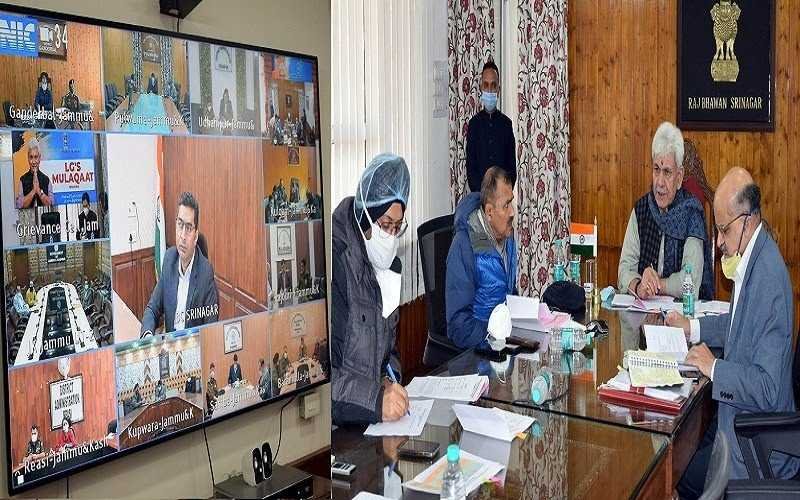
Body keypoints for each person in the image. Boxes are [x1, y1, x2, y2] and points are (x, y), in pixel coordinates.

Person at [666, 168, 798, 497]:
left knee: (672, 471)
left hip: (756, 444)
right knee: (680, 450)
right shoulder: (753, 257)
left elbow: (767, 389)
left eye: (724, 230)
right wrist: (692, 327)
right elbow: (738, 324)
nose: (719, 242)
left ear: (747, 221)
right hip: (736, 419)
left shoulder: (768, 280)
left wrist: (713, 368)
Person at [331, 153, 410, 425]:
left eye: (397, 227)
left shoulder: (388, 266)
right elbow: (323, 380)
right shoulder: (335, 264)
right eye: (385, 225)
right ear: (365, 216)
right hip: (338, 427)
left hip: (371, 422)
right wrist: (377, 401)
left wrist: (389, 379)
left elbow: (389, 352)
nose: (391, 237)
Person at [618, 122, 713, 300]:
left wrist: (656, 285)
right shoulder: (642, 209)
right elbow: (624, 271)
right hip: (644, 311)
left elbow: (691, 282)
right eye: (656, 170)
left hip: (683, 312)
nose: (660, 182)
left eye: (667, 172)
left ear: (679, 177)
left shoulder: (691, 214)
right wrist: (639, 286)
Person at [446, 167, 517, 350]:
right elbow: (459, 326)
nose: (512, 212)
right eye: (506, 205)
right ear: (489, 212)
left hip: (504, 345)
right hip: (479, 350)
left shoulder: (507, 237)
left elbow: (508, 293)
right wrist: (494, 334)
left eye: (512, 202)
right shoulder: (464, 246)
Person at [141, 192, 219, 336]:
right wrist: (147, 335)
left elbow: (211, 331)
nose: (182, 236)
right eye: (180, 224)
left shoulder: (206, 274)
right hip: (170, 343)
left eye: (188, 228)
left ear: (195, 236)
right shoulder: (169, 259)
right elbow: (152, 308)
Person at [466, 60, 516, 192]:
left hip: (502, 198)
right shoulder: (474, 125)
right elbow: (471, 170)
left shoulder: (506, 124)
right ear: (481, 88)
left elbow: (511, 170)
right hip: (479, 197)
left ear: (498, 89)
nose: (489, 89)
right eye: (486, 85)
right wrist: (485, 196)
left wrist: (500, 195)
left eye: (493, 85)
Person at [16, 139, 52, 209]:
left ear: (39, 158)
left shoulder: (46, 179)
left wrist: (39, 191)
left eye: (36, 157)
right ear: (28, 158)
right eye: (31, 157)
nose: (33, 161)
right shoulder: (22, 180)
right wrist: (33, 191)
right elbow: (20, 205)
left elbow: (51, 203)